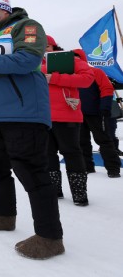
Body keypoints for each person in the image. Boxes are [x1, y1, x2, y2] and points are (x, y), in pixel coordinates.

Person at [0, 0, 64, 259]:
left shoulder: (27, 27)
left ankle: (50, 237)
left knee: (30, 170)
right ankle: (3, 215)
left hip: (24, 112)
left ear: (5, 9)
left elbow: (27, 60)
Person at [41, 36, 94, 205]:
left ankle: (79, 193)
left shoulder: (69, 59)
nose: (44, 50)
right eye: (40, 46)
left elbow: (87, 79)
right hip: (41, 118)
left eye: (47, 46)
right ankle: (54, 191)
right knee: (47, 155)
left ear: (54, 46)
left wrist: (53, 78)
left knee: (71, 153)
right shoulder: (32, 64)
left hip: (66, 116)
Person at [76, 49, 122, 178]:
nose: (75, 60)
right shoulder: (69, 75)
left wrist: (105, 107)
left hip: (96, 113)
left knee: (104, 140)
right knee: (81, 142)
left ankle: (113, 169)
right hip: (77, 114)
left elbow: (107, 88)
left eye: (77, 57)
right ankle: (87, 167)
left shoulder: (96, 72)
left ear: (83, 59)